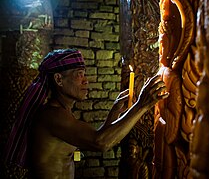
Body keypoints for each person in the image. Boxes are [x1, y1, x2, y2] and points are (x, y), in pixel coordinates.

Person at [4, 49, 169, 178]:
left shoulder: (62, 113)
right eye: (79, 75)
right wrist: (142, 105)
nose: (86, 80)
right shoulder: (52, 116)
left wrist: (114, 112)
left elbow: (96, 137)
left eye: (85, 74)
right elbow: (100, 142)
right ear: (59, 79)